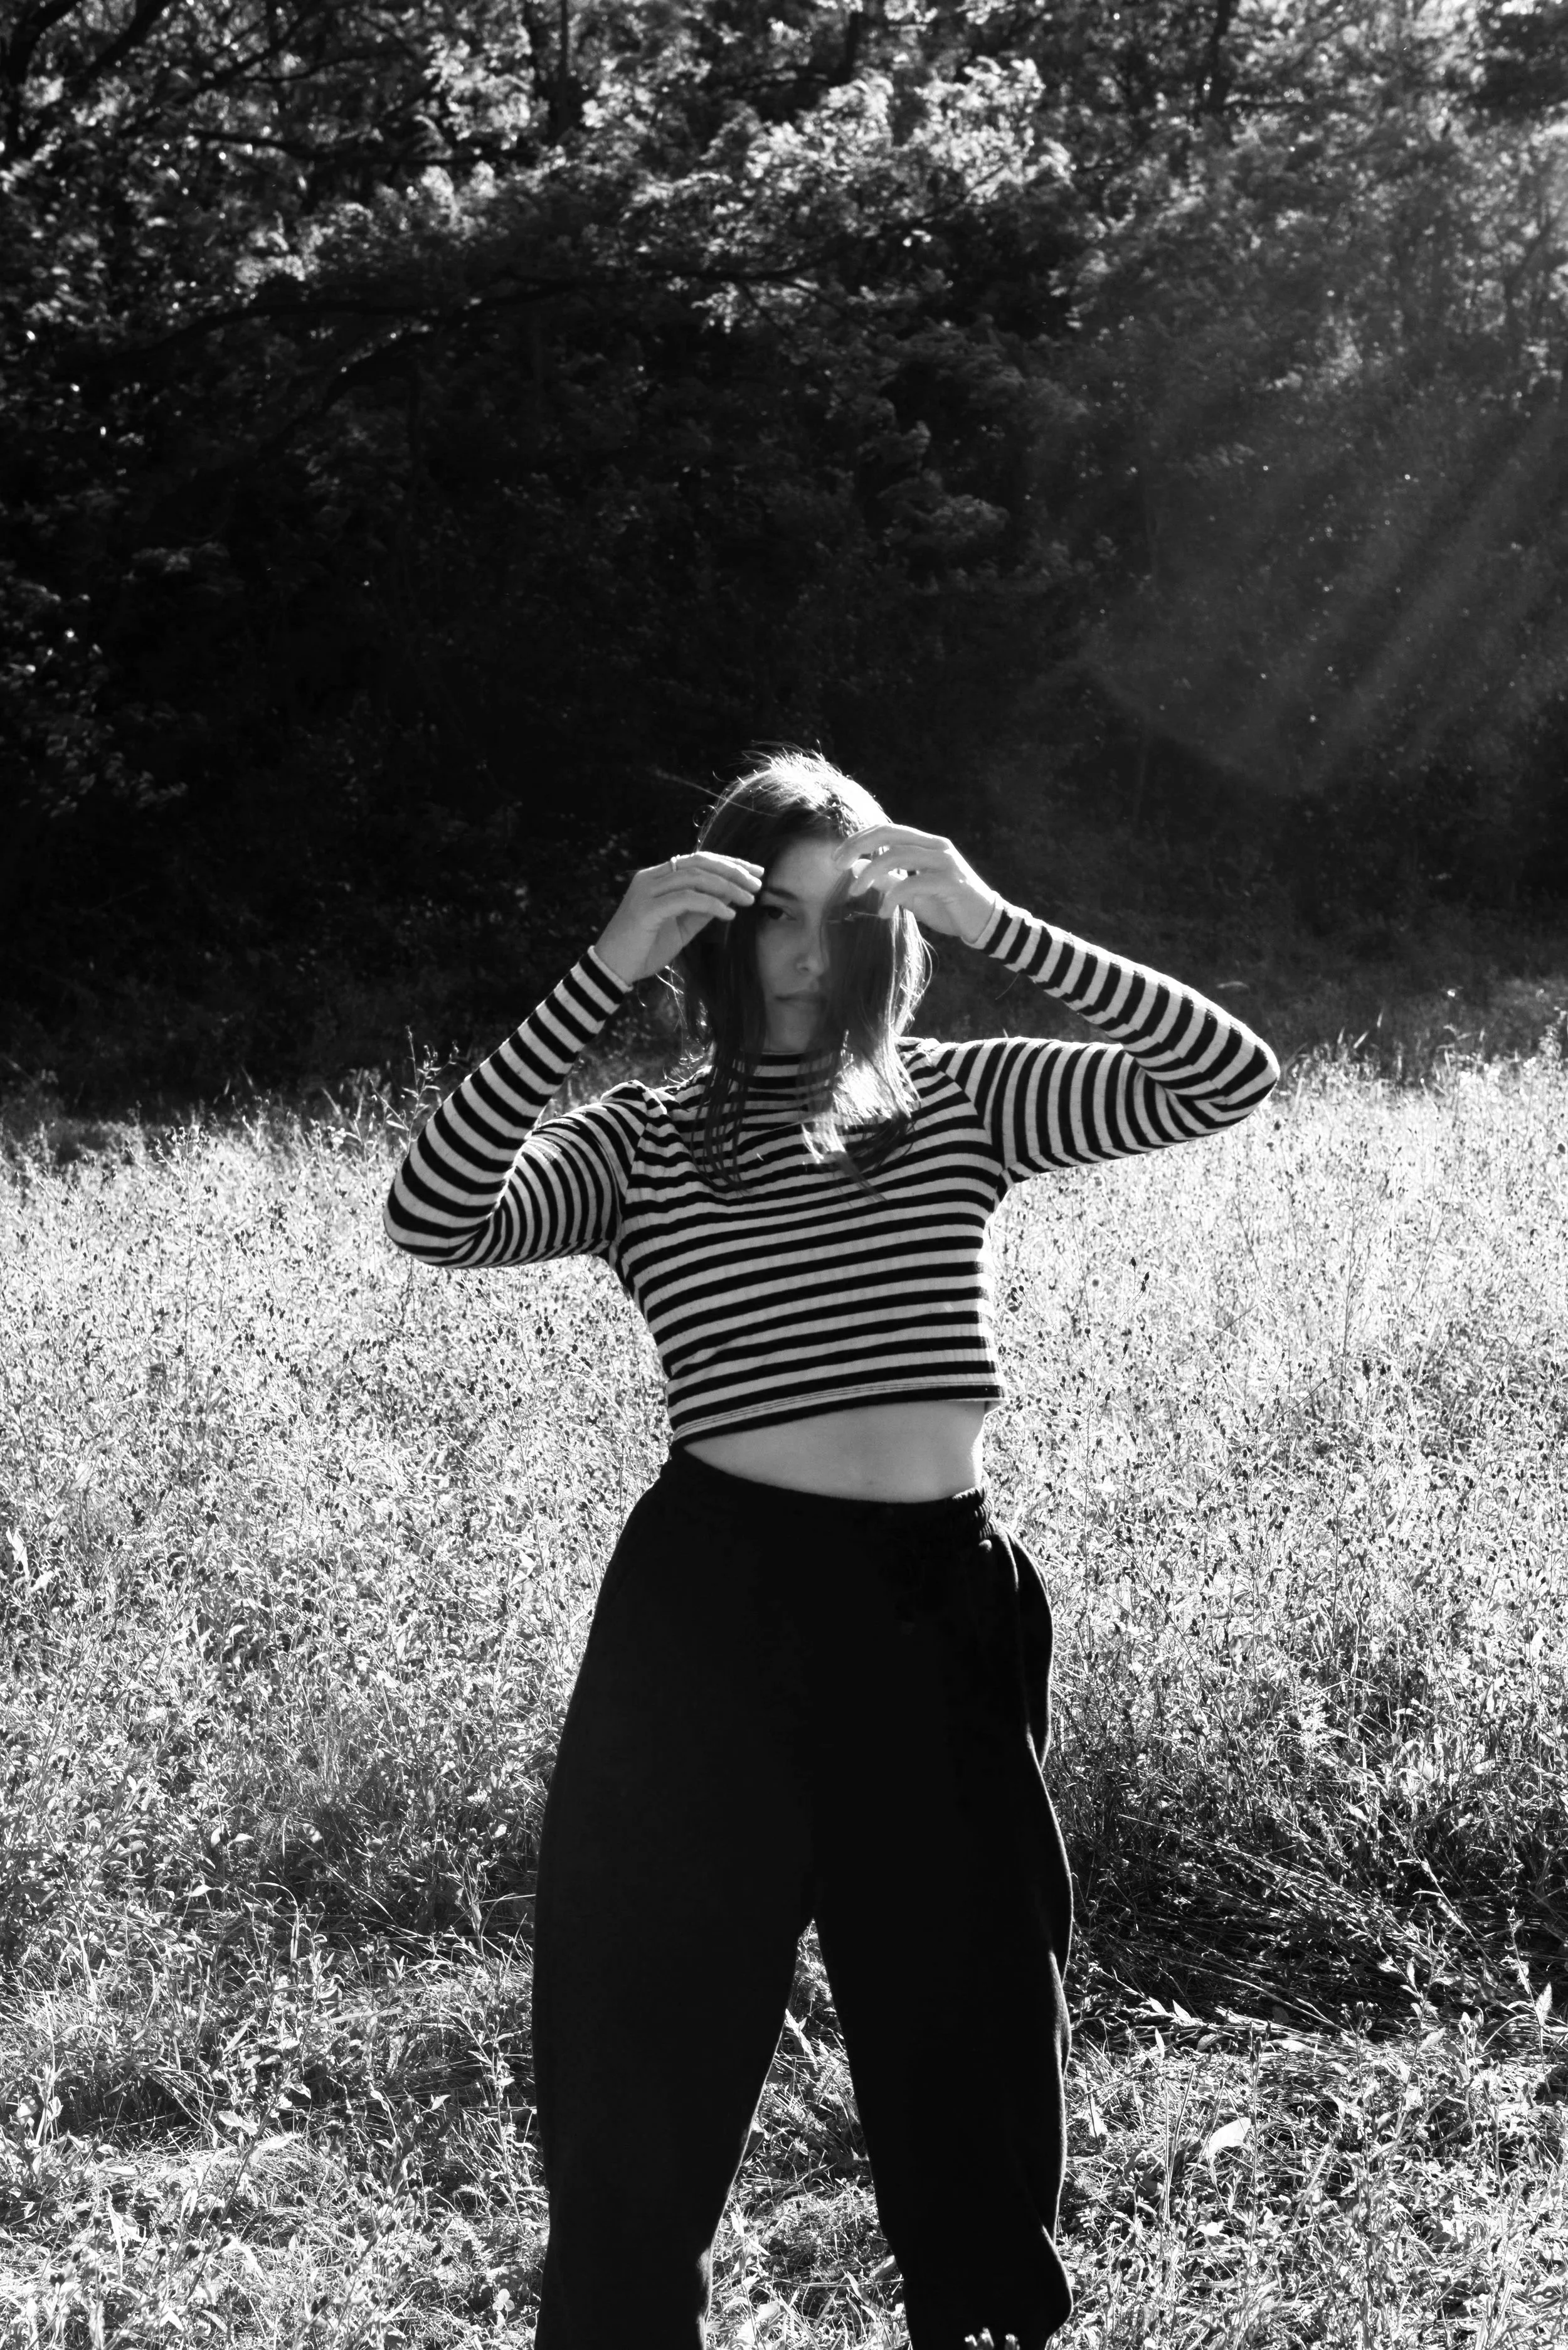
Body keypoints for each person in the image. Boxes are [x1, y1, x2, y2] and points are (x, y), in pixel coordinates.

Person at [383, 751, 1279, 2350]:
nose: (809, 951)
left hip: (935, 1607)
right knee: (642, 2050)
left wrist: (991, 915)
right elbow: (434, 1214)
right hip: (709, 1619)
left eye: (844, 917)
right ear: (718, 932)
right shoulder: (641, 1146)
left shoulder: (964, 1099)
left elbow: (1224, 1071)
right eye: (774, 915)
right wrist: (602, 971)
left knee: (972, 2038)